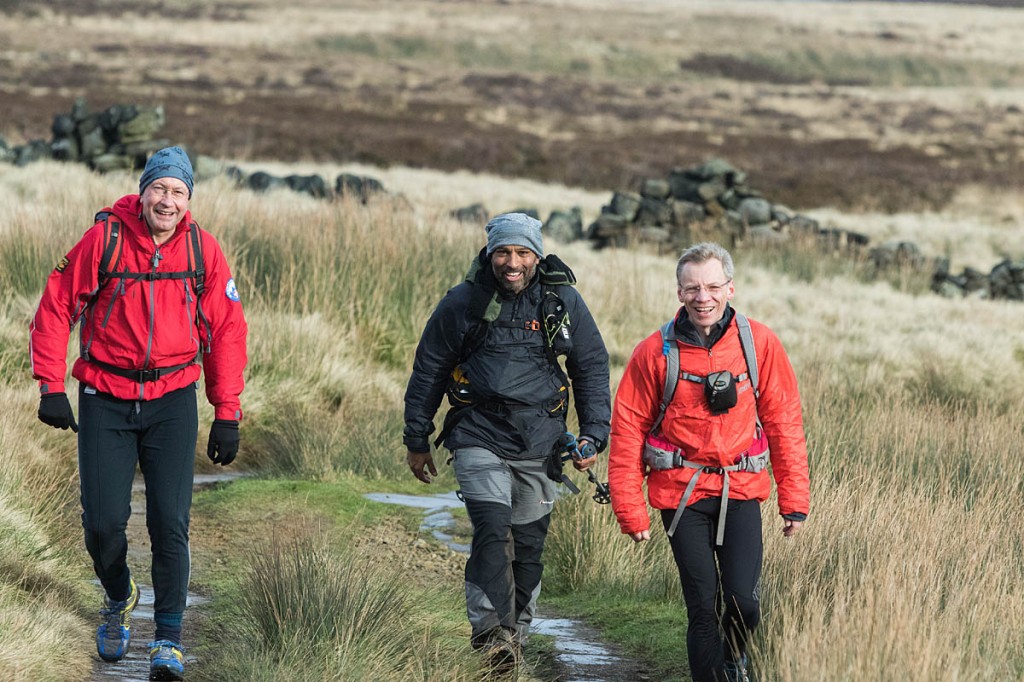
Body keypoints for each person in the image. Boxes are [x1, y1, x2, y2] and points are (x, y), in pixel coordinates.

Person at [29, 146, 248, 681]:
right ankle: (120, 595)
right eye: (160, 189)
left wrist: (227, 411)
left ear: (188, 198)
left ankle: (168, 640)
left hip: (173, 399)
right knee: (103, 524)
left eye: (178, 192)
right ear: (143, 191)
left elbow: (226, 331)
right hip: (105, 395)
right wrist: (50, 385)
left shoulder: (204, 251)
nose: (167, 201)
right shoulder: (104, 239)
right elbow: (57, 304)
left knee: (170, 523)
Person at [403, 212, 611, 672]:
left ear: (536, 255)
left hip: (542, 440)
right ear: (489, 254)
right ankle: (489, 631)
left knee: (529, 547)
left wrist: (595, 433)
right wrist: (417, 437)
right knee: (492, 531)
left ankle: (512, 638)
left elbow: (591, 368)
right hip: (478, 433)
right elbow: (429, 369)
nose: (511, 262)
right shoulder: (462, 302)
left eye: (521, 252)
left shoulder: (562, 303)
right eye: (503, 252)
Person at [608, 242, 809, 682]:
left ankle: (735, 659)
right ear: (679, 292)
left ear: (730, 288)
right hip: (680, 496)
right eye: (693, 288)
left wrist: (793, 501)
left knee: (743, 602)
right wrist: (629, 508)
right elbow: (627, 432)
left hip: (741, 491)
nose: (704, 297)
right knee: (702, 607)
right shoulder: (653, 352)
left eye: (713, 286)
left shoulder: (760, 344)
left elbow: (784, 422)